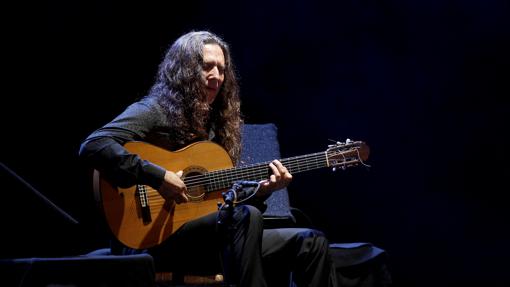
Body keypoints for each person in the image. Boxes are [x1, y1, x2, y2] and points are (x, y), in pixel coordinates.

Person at [79, 30, 337, 287]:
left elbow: (221, 200)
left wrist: (263, 190)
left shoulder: (217, 126)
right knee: (245, 216)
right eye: (207, 67)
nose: (216, 76)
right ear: (184, 71)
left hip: (207, 242)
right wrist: (158, 177)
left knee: (310, 241)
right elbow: (94, 145)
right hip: (153, 240)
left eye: (222, 69)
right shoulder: (153, 110)